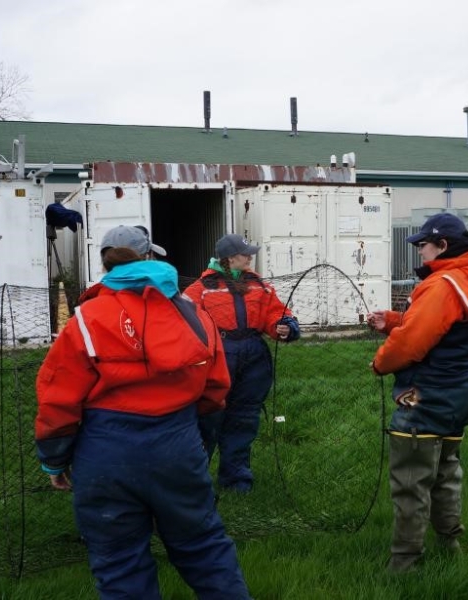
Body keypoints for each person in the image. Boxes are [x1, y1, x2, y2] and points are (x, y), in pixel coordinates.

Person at [34, 225, 250, 600]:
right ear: (149, 257)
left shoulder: (86, 320)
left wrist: (55, 462)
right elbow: (215, 389)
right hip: (177, 446)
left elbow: (58, 399)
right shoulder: (193, 314)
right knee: (203, 547)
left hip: (104, 455)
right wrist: (193, 438)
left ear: (106, 264)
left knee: (120, 564)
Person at [367, 213, 468, 573]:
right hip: (458, 396)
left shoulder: (441, 285)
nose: (419, 252)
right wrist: (393, 320)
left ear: (443, 246)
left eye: (423, 245)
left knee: (411, 481)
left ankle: (404, 564)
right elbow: (444, 329)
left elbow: (413, 345)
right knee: (447, 472)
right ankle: (450, 543)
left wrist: (380, 363)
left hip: (422, 398)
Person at [183, 233, 300, 493]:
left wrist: (284, 327)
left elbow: (275, 313)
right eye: (246, 253)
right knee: (209, 418)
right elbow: (185, 323)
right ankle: (194, 481)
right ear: (230, 257)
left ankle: (236, 479)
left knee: (244, 418)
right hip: (217, 357)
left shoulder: (259, 285)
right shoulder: (200, 289)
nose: (250, 257)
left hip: (253, 358)